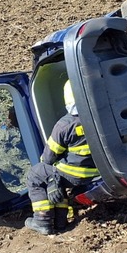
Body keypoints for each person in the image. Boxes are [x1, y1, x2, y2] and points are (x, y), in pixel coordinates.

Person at [24, 81, 99, 236]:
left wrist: (49, 175)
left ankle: (42, 220)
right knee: (55, 180)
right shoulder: (100, 117)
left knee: (36, 174)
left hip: (74, 175)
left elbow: (49, 156)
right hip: (99, 172)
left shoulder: (65, 125)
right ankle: (60, 222)